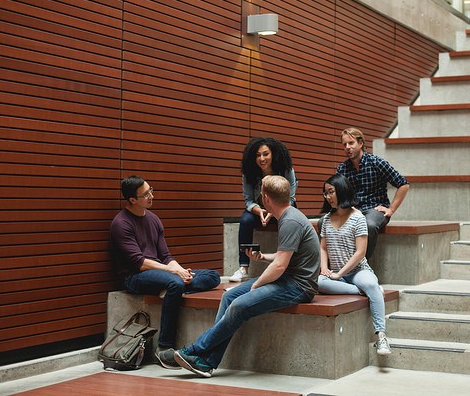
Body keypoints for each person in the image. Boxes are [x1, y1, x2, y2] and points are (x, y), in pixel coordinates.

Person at [157, 175, 320, 377]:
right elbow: (283, 257)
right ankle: (206, 363)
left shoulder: (291, 221)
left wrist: (257, 285)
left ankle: (194, 350)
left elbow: (280, 266)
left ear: (266, 198)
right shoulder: (289, 216)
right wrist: (261, 257)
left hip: (299, 286)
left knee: (239, 305)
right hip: (287, 278)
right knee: (228, 296)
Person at [109, 175, 221, 358]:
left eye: (150, 190)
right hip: (135, 276)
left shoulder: (153, 219)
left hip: (160, 272)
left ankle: (169, 288)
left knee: (213, 276)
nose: (151, 196)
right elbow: (139, 262)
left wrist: (181, 271)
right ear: (132, 200)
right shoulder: (121, 224)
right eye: (146, 194)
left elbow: (165, 255)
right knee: (175, 283)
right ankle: (164, 347)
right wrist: (173, 272)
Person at [318, 173, 391, 355]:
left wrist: (339, 273)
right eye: (326, 193)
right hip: (335, 274)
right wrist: (324, 268)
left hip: (357, 271)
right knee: (317, 282)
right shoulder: (326, 219)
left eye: (331, 192)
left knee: (371, 284)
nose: (328, 197)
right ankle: (361, 291)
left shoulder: (358, 217)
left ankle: (381, 337)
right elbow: (323, 248)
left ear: (342, 190)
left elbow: (360, 253)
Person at [320, 127, 409, 259]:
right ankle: (330, 265)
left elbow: (403, 184)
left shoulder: (377, 163)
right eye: (344, 145)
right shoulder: (342, 168)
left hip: (375, 208)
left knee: (369, 225)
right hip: (352, 209)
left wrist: (391, 210)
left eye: (351, 143)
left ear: (361, 143)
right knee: (322, 222)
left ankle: (360, 265)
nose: (347, 147)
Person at [230, 137, 298, 282]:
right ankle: (244, 267)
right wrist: (260, 211)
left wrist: (274, 212)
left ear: (273, 154)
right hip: (260, 209)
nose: (262, 158)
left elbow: (290, 198)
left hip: (283, 207)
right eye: (257, 155)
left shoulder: (286, 169)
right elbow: (248, 200)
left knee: (289, 220)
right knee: (245, 220)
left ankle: (287, 264)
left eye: (265, 154)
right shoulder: (249, 172)